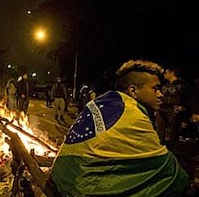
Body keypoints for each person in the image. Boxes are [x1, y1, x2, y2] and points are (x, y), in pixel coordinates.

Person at [46, 59, 189, 196]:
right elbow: (167, 168)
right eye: (155, 89)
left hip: (61, 178)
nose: (160, 94)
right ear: (133, 90)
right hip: (80, 189)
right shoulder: (134, 115)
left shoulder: (106, 100)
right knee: (178, 179)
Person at [156, 67, 191, 144]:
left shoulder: (182, 84)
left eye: (166, 72)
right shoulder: (165, 85)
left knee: (172, 131)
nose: (164, 74)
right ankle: (160, 145)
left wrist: (184, 107)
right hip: (162, 109)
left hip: (173, 110)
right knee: (159, 130)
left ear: (171, 72)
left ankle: (172, 148)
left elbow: (190, 97)